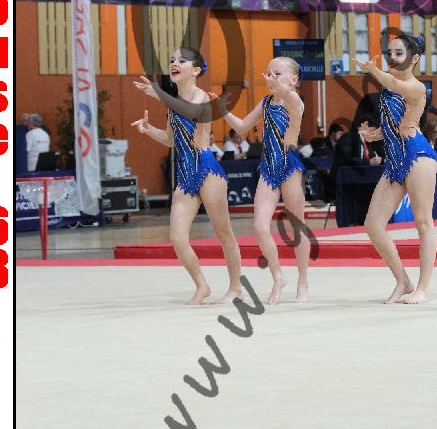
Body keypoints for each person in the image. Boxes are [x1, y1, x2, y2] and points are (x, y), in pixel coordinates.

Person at [132, 49, 244, 307]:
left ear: (195, 70)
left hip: (206, 169)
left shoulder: (201, 97)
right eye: (172, 60)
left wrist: (159, 95)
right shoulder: (173, 104)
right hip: (185, 172)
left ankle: (236, 288)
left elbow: (191, 112)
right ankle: (202, 285)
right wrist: (148, 130)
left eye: (182, 61)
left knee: (224, 233)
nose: (174, 63)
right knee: (177, 238)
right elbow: (171, 139)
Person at [354, 33, 437, 305]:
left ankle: (423, 288)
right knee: (373, 225)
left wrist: (373, 70)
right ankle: (403, 281)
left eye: (398, 53)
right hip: (395, 160)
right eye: (389, 52)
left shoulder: (416, 87)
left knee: (423, 222)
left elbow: (393, 83)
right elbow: (396, 125)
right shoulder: (389, 89)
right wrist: (375, 134)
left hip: (417, 156)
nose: (391, 57)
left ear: (414, 59)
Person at [219, 57, 311, 304]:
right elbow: (242, 127)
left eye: (277, 74)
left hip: (290, 167)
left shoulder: (295, 101)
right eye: (268, 73)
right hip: (268, 168)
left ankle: (302, 282)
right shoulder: (266, 102)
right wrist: (223, 110)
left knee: (296, 226)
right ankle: (278, 276)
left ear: (293, 79)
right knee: (260, 226)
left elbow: (289, 96)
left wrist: (280, 85)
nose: (270, 78)